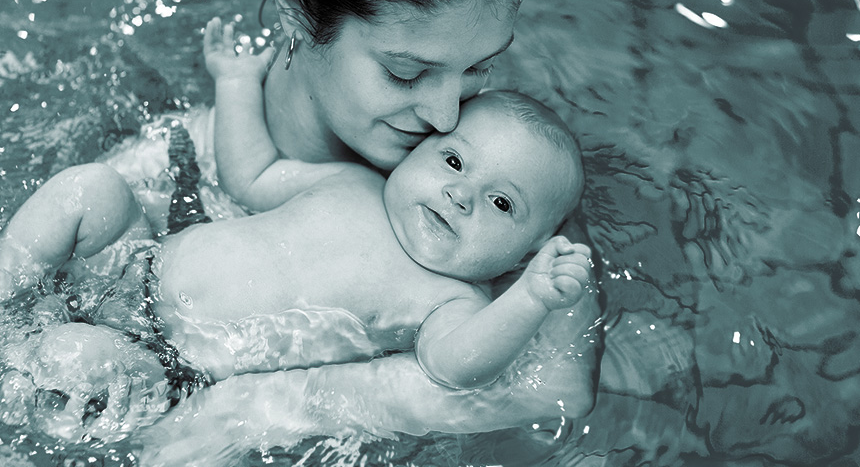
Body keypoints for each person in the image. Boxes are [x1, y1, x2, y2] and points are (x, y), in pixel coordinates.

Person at [99, 0, 602, 462]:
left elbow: (560, 387)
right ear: (294, 7)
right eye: (405, 72)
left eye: (480, 67)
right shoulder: (172, 165)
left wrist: (260, 407)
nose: (448, 116)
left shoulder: (503, 162)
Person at [0, 86, 592, 445]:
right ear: (418, 150)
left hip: (168, 360)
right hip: (138, 263)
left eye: (502, 203)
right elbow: (250, 175)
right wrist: (234, 85)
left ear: (525, 254)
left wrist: (531, 298)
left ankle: (24, 362)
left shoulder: (452, 302)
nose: (461, 195)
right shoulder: (352, 180)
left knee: (72, 356)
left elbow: (457, 369)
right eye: (455, 160)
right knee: (90, 190)